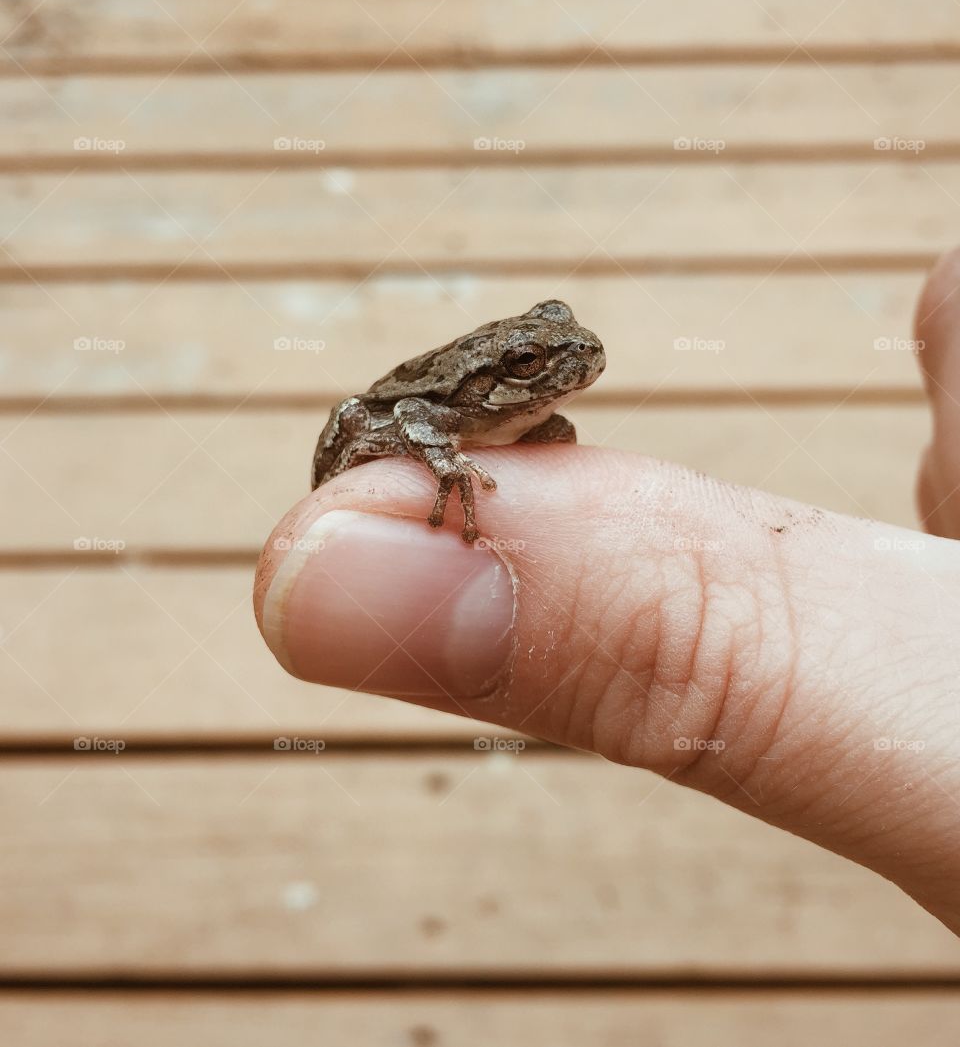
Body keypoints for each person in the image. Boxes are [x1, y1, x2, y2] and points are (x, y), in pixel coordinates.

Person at [254, 248, 960, 934]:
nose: (571, 358)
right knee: (360, 416)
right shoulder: (443, 408)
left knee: (555, 438)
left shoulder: (522, 406)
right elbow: (408, 416)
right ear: (490, 380)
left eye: (555, 342)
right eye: (530, 364)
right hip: (390, 415)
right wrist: (443, 461)